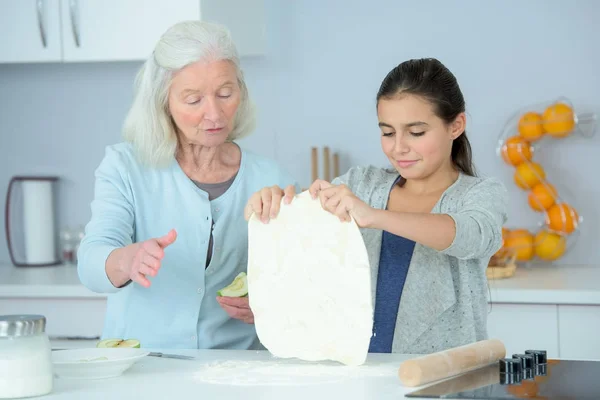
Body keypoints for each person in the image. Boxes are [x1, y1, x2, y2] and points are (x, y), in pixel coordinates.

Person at [245, 58, 507, 354]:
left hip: (445, 378)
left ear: (456, 126)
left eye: (416, 132)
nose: (399, 147)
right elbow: (302, 234)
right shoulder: (363, 183)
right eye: (387, 132)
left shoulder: (480, 193)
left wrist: (374, 216)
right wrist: (271, 206)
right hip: (360, 374)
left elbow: (470, 235)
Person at [77, 20, 297, 350]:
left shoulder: (271, 179)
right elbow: (91, 262)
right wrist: (126, 260)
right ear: (163, 102)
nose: (215, 114)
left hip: (237, 371)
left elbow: (302, 283)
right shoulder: (125, 167)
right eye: (193, 100)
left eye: (225, 93)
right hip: (142, 367)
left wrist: (271, 303)